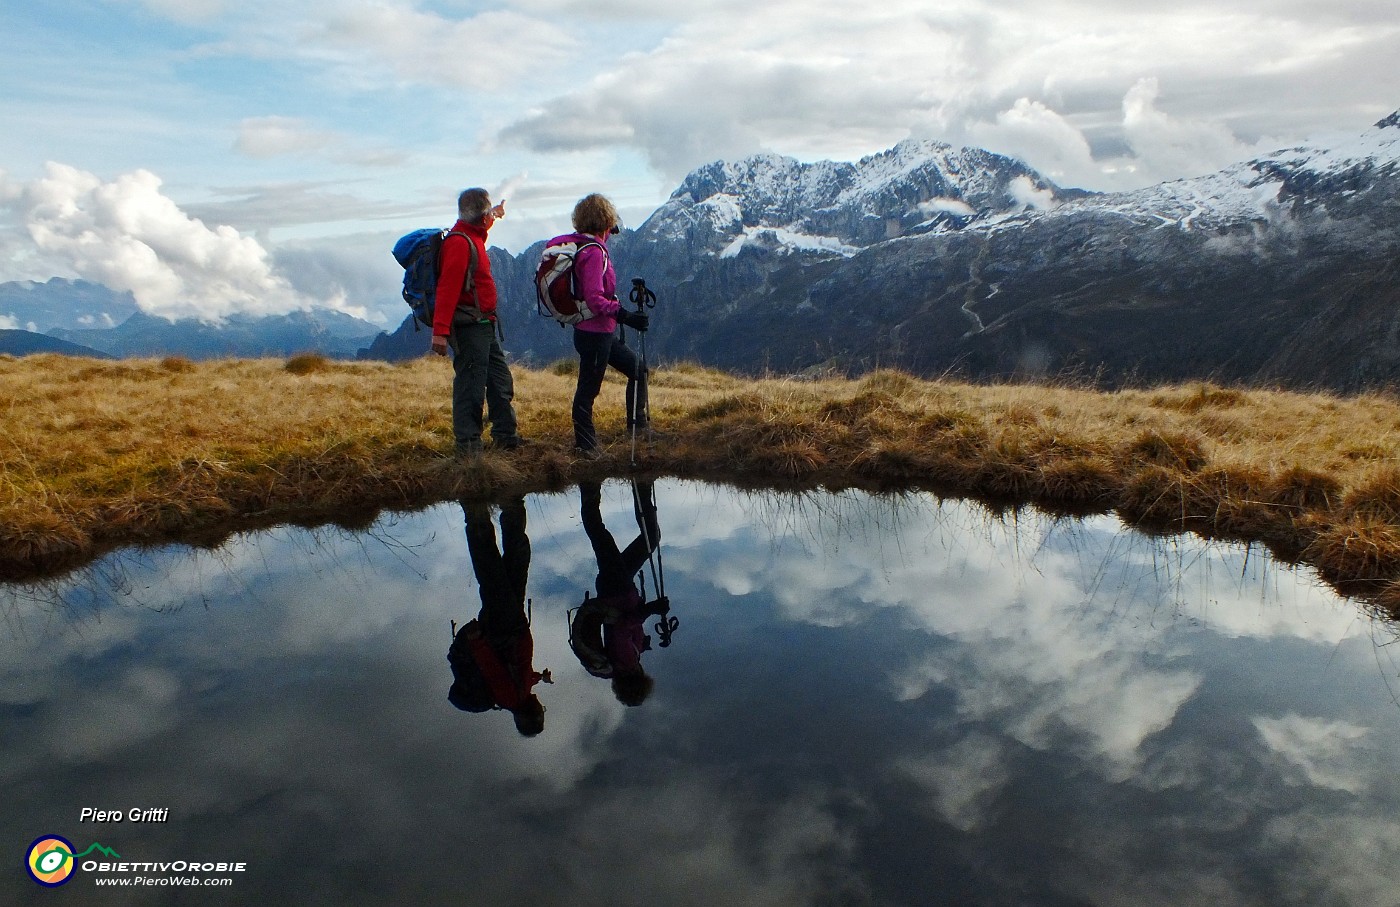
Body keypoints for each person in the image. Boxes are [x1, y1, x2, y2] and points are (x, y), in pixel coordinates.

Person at [547, 193, 651, 458]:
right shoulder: (593, 253)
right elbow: (594, 299)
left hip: (598, 332)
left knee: (638, 370)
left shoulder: (587, 247)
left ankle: (638, 427)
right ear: (606, 220)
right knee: (588, 390)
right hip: (594, 334)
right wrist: (624, 314)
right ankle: (586, 446)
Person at [430, 188, 526, 458]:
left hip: (484, 324)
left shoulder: (470, 234)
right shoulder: (459, 244)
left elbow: (480, 229)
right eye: (488, 215)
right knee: (471, 385)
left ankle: (505, 436)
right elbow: (447, 289)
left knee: (499, 380)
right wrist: (440, 332)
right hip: (470, 326)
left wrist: (494, 214)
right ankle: (468, 447)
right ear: (481, 218)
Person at [447, 497, 550, 736]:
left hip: (503, 628)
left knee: (492, 570)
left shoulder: (509, 697)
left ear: (532, 713)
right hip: (513, 624)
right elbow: (518, 673)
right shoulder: (519, 695)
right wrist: (538, 677)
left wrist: (477, 642)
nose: (541, 707)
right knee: (515, 560)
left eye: (541, 711)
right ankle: (510, 502)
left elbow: (493, 669)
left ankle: (476, 510)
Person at [567, 480, 669, 706]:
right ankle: (640, 487)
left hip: (615, 588)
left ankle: (590, 484)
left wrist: (650, 610)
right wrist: (642, 643)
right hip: (620, 586)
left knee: (600, 533)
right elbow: (626, 634)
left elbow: (622, 628)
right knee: (650, 538)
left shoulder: (626, 662)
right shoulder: (629, 660)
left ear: (641, 680)